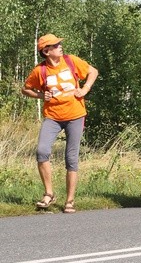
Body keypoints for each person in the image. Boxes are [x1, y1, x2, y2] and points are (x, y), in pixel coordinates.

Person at [22, 34, 99, 213]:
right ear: (46, 51)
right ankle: (49, 193)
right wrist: (41, 95)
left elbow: (93, 71)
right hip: (52, 116)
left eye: (59, 44)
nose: (60, 46)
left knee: (71, 158)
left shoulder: (71, 61)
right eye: (56, 45)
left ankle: (70, 201)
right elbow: (25, 89)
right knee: (42, 151)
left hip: (75, 115)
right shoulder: (40, 70)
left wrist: (85, 89)